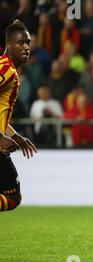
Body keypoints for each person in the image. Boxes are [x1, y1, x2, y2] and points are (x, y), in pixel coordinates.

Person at [0, 20, 38, 212]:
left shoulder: (11, 71)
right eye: (20, 43)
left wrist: (14, 136)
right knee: (12, 198)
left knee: (12, 197)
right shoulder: (5, 68)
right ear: (8, 45)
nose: (26, 47)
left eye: (28, 43)